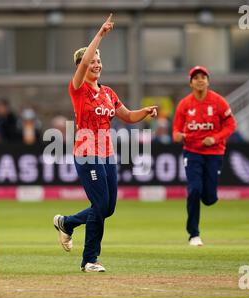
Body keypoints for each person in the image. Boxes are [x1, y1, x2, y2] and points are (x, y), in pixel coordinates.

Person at [53, 14, 158, 272]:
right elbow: (85, 58)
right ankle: (90, 259)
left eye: (99, 62)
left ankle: (67, 223)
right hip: (86, 153)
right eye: (92, 62)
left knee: (108, 208)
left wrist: (144, 111)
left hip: (108, 154)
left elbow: (128, 116)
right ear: (82, 67)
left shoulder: (109, 93)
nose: (96, 65)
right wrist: (100, 34)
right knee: (100, 206)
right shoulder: (78, 89)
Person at [172, 66, 236, 246]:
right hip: (192, 152)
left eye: (203, 77)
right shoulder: (185, 104)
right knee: (194, 190)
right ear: (190, 82)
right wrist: (178, 136)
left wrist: (215, 138)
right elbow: (176, 130)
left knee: (209, 198)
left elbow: (231, 125)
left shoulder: (218, 102)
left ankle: (207, 195)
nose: (200, 80)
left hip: (214, 153)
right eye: (196, 77)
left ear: (208, 81)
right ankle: (194, 234)